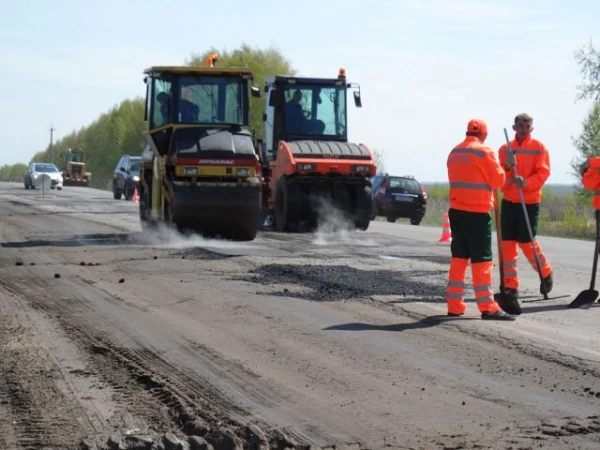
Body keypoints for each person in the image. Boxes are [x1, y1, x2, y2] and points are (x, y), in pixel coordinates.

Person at [446, 119, 516, 320]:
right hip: (477, 214)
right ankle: (487, 306)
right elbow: (498, 181)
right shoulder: (484, 151)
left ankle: (454, 304)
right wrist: (507, 167)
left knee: (459, 257)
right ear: (484, 135)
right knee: (482, 260)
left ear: (467, 132)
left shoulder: (454, 152)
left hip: (457, 211)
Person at [498, 113, 553, 299]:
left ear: (531, 128)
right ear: (514, 128)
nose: (523, 129)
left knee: (527, 242)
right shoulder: (505, 149)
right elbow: (499, 177)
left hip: (529, 202)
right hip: (509, 202)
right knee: (507, 245)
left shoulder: (539, 148)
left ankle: (545, 273)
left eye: (527, 126)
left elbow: (543, 173)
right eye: (520, 125)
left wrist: (526, 183)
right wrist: (507, 166)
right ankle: (510, 286)